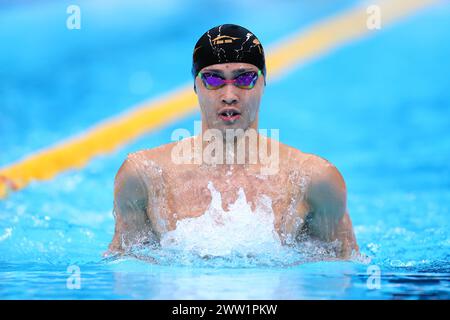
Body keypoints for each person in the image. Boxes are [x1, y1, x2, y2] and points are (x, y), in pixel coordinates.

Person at [108, 24, 358, 258]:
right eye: (214, 79)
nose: (229, 95)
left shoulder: (314, 179)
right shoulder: (144, 176)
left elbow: (341, 275)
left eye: (245, 78)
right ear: (195, 85)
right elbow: (127, 275)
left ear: (263, 82)